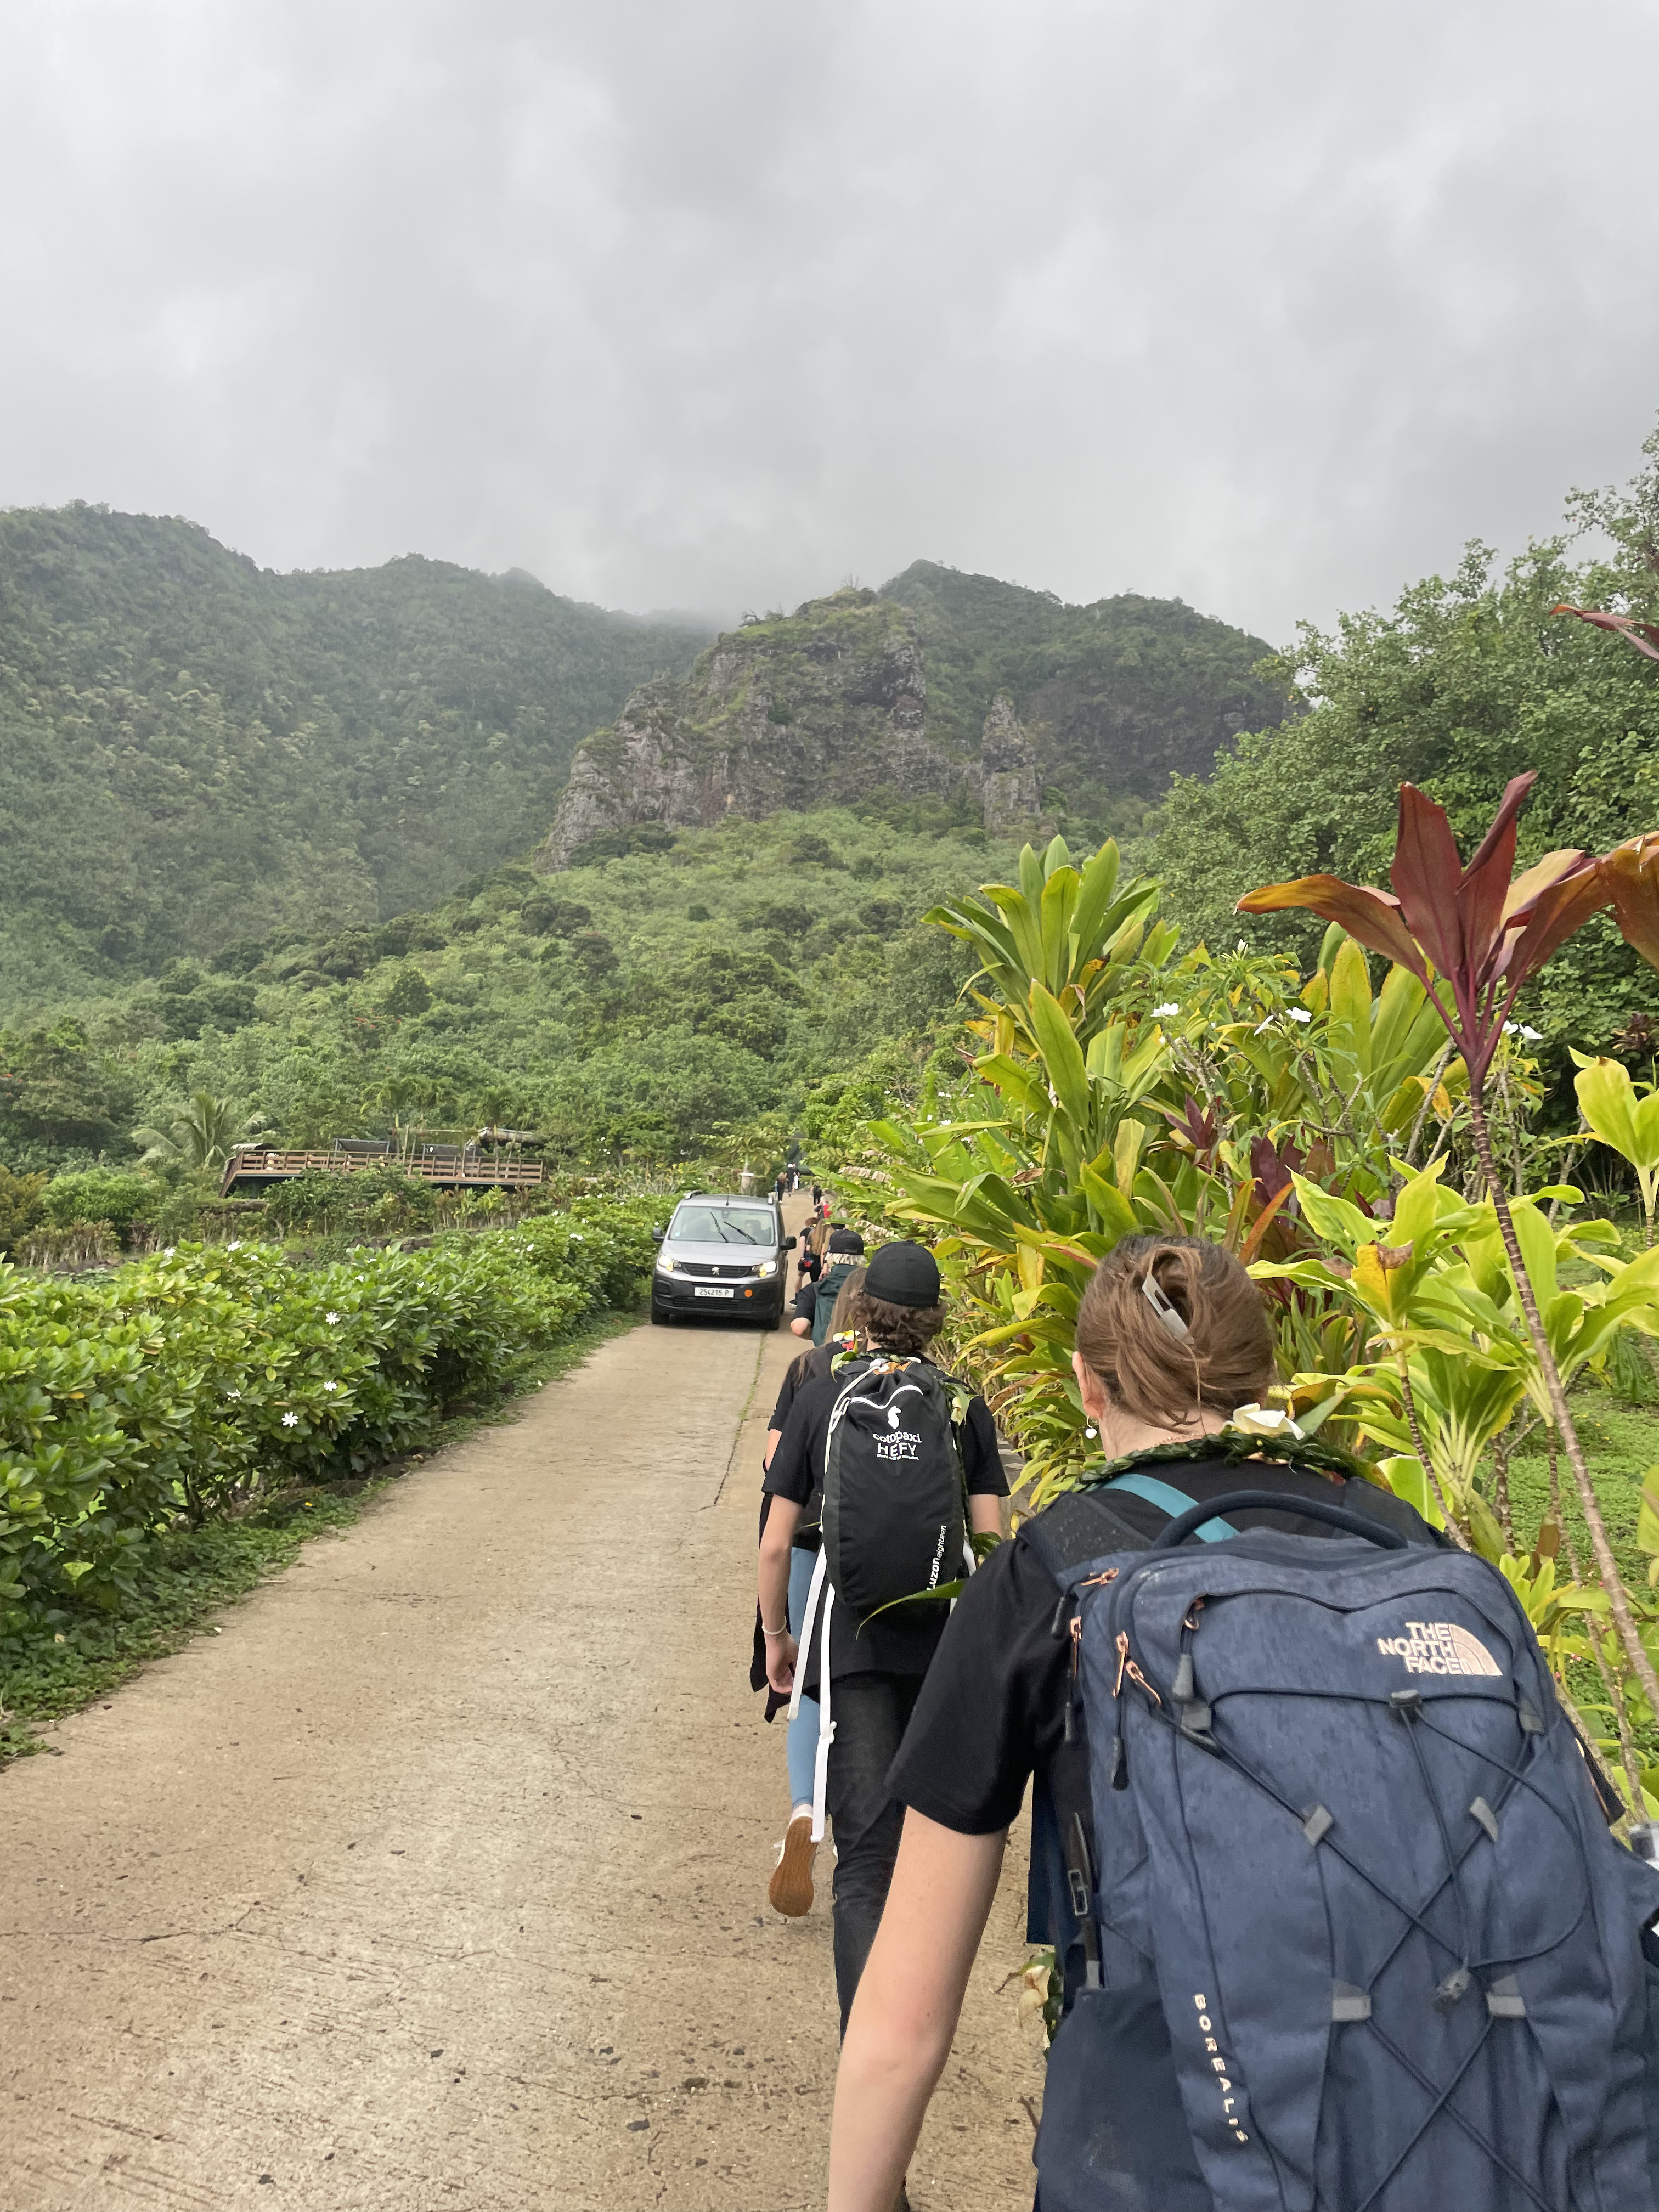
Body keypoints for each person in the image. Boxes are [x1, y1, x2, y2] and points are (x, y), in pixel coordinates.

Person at [823, 1233, 1659, 2212]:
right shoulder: (1405, 1540)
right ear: (1263, 1375)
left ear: (1086, 1389)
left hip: (1182, 2164)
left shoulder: (1054, 1567)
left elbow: (902, 2022)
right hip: (1499, 2154)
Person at [759, 1241, 1008, 2041]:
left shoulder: (823, 1389)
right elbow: (993, 1545)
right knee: (921, 1855)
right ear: (937, 1319)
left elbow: (775, 1545)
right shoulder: (964, 1403)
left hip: (851, 1643)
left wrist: (778, 1638)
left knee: (863, 1861)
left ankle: (868, 2059)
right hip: (938, 1648)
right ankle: (916, 2032)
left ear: (860, 1310)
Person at [753, 1265, 866, 1917]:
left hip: (808, 1547)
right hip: (899, 1563)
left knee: (806, 1686)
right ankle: (862, 1836)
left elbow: (775, 1464)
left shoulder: (808, 1372)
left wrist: (773, 1633)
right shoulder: (931, 1385)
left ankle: (804, 1810)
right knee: (869, 1690)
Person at [790, 1226, 864, 1341]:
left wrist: (818, 1336)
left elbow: (799, 1328)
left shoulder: (814, 1290)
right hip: (863, 1354)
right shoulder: (872, 1288)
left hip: (826, 1353)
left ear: (830, 1257)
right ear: (861, 1259)